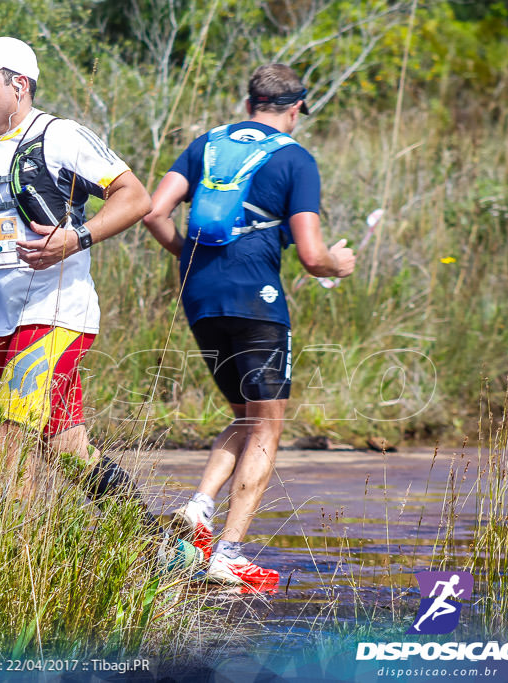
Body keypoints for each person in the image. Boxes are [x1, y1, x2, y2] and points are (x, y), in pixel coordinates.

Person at [0, 36, 193, 563]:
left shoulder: (59, 136)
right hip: (6, 318)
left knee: (11, 436)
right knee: (64, 446)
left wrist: (78, 237)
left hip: (55, 312)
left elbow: (136, 197)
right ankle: (159, 548)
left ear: (19, 85)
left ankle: (16, 566)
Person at [143, 64, 356, 585]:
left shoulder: (205, 146)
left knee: (244, 414)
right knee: (267, 425)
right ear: (296, 108)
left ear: (248, 104)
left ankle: (198, 510)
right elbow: (310, 255)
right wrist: (337, 262)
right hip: (256, 301)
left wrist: (188, 258)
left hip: (200, 298)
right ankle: (229, 554)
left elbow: (153, 212)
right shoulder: (296, 160)